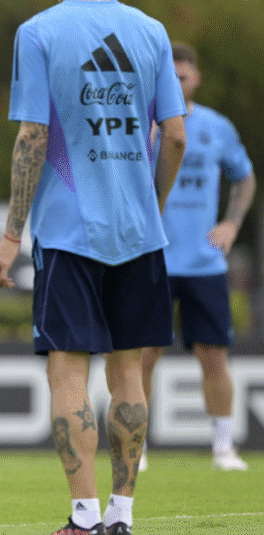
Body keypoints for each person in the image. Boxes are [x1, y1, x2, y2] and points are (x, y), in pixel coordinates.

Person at [0, 0, 186, 534]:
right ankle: (122, 516)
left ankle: (84, 516)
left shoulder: (39, 32)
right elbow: (175, 136)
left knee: (69, 375)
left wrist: (11, 235)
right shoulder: (151, 31)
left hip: (69, 232)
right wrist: (152, 205)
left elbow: (33, 135)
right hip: (138, 234)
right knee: (129, 374)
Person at [140, 42, 255, 473]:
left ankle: (223, 448)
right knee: (143, 355)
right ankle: (137, 447)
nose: (177, 82)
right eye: (169, 76)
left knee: (213, 355)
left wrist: (232, 224)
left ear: (197, 78)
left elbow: (244, 178)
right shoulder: (141, 125)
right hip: (152, 257)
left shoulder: (216, 126)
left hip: (204, 263)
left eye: (183, 75)